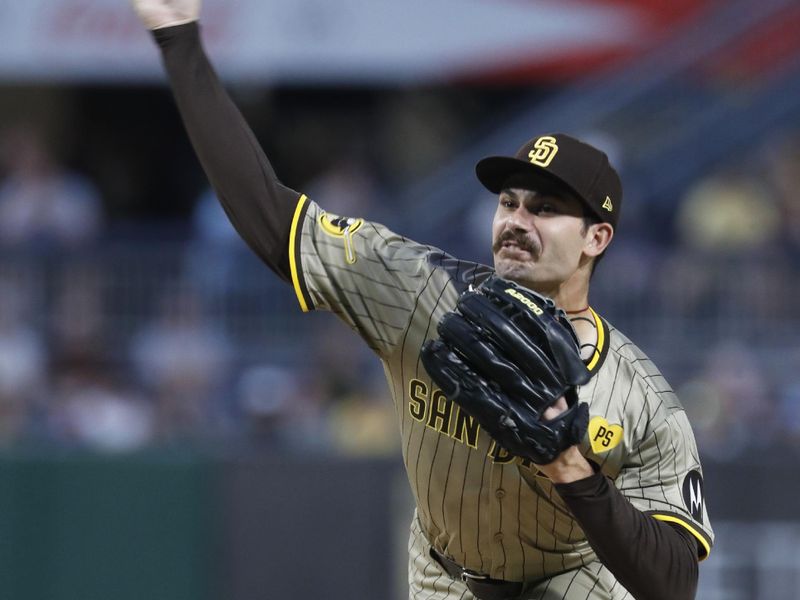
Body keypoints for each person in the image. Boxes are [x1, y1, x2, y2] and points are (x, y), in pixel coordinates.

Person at [129, 2, 714, 598]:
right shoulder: (421, 291)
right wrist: (181, 43)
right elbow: (272, 220)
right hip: (445, 577)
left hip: (573, 581)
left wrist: (573, 469)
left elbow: (673, 584)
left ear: (597, 237)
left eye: (544, 209)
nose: (516, 221)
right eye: (508, 202)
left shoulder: (642, 397)